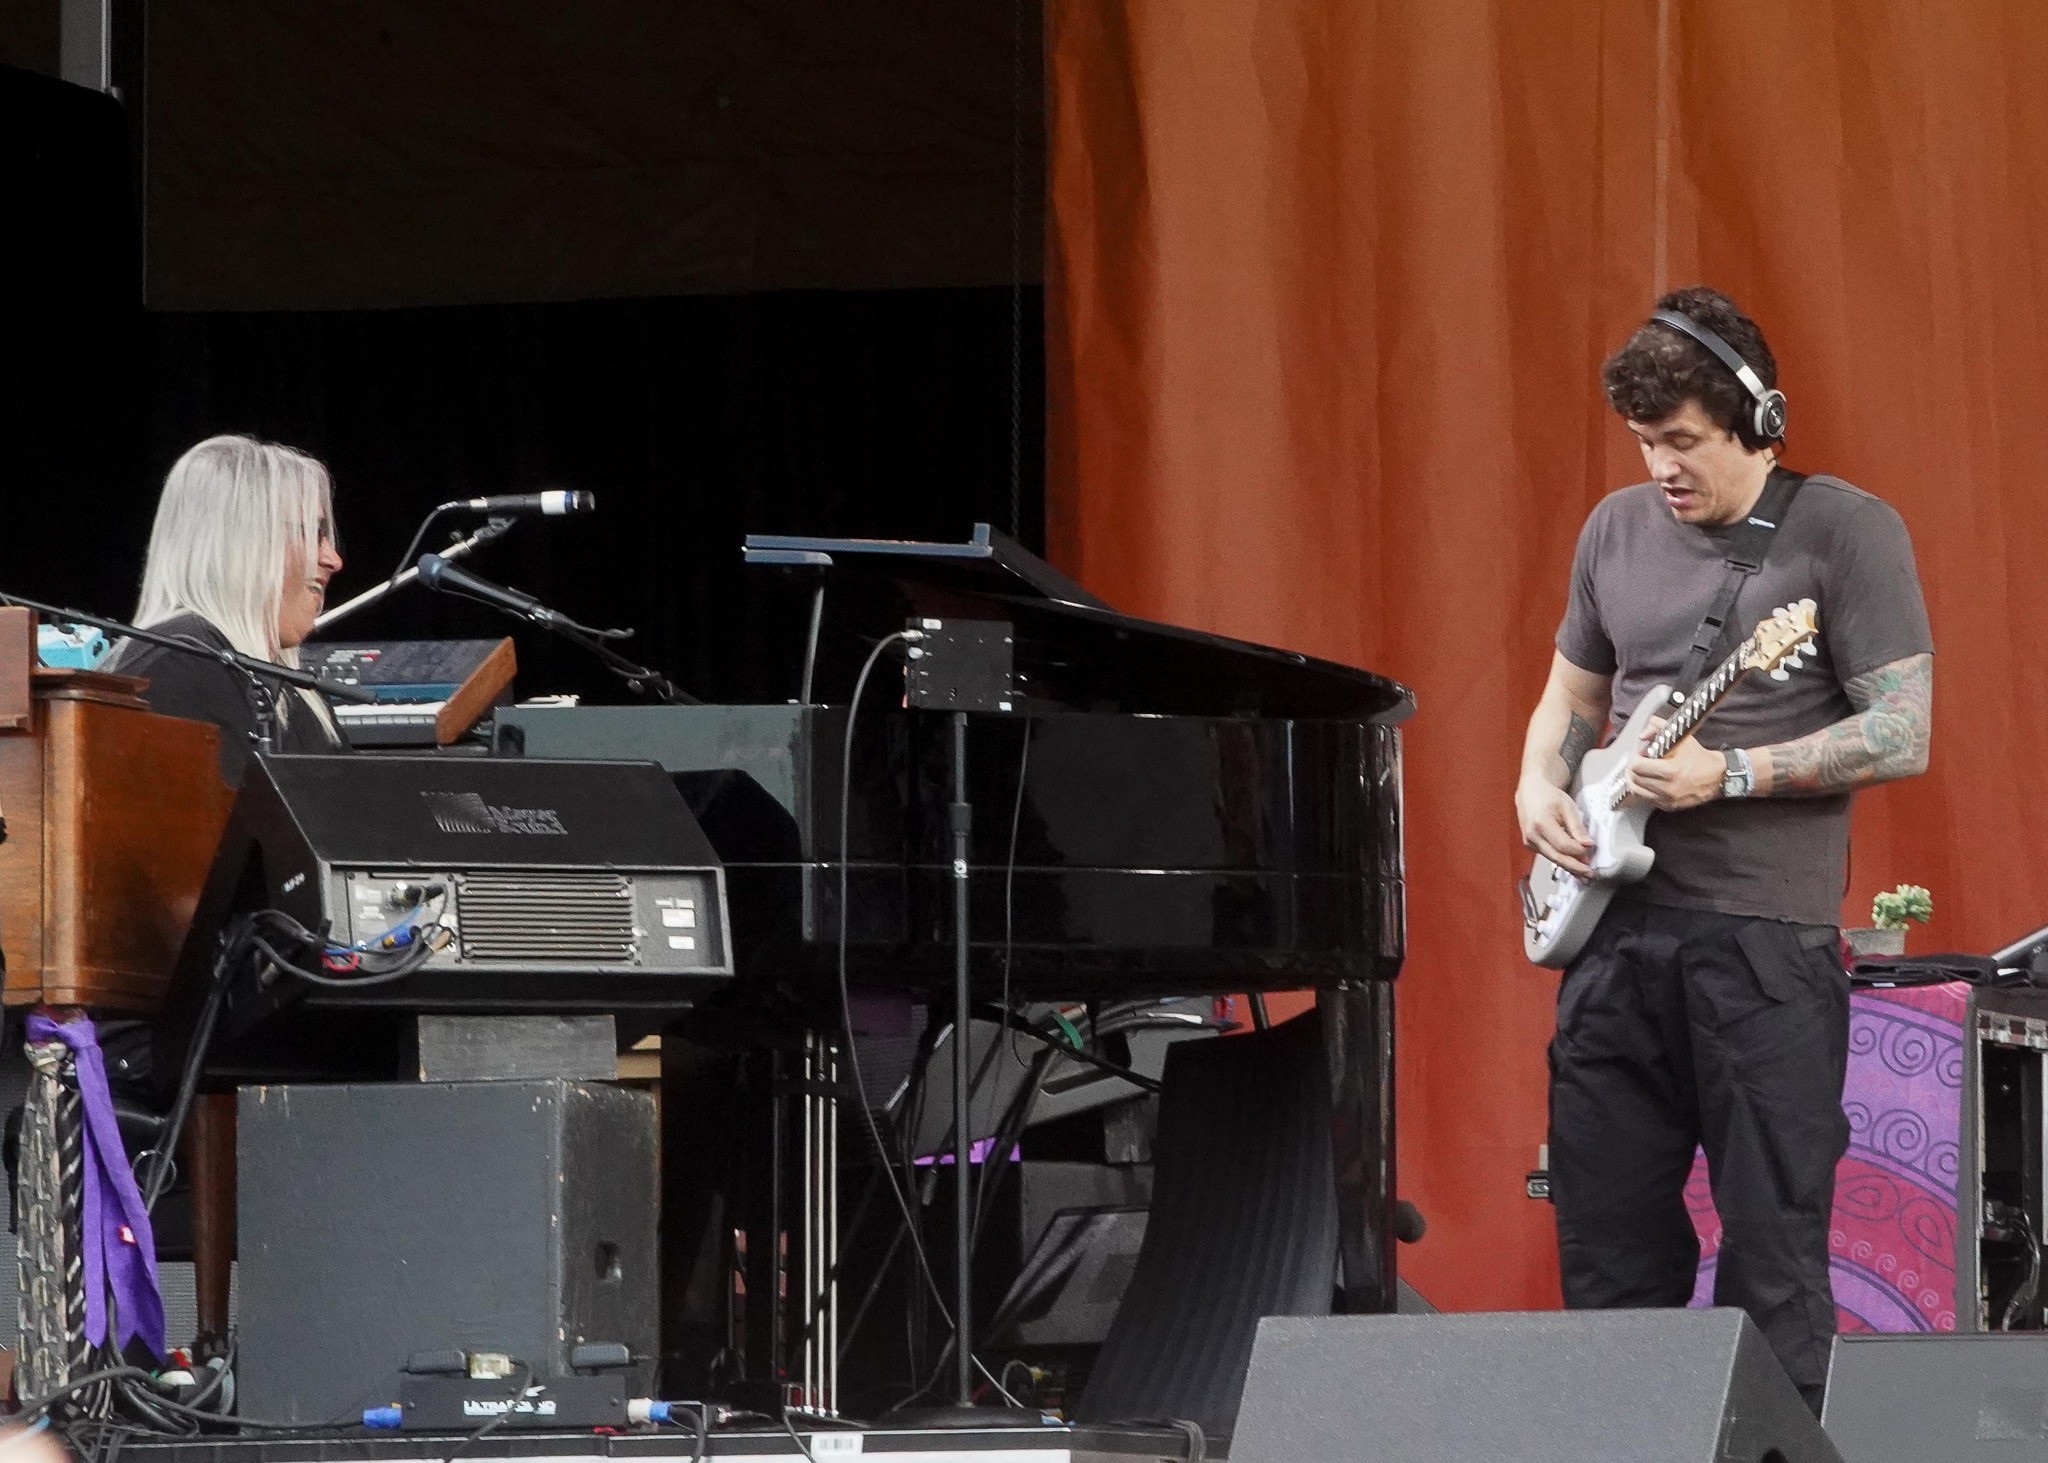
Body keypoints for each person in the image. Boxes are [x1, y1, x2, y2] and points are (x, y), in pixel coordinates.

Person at [1514, 287, 1933, 1412]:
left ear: (1757, 418)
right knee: (1603, 1243)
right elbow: (1572, 690)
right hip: (1612, 940)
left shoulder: (1843, 530)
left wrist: (1732, 773)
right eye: (1646, 443)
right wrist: (1536, 781)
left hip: (1761, 950)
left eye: (1683, 441)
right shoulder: (1611, 527)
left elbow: (1903, 729)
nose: (1660, 466)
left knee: (1770, 1247)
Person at [102, 434, 347, 784]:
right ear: (244, 542)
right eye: (314, 534)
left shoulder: (282, 685)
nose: (332, 560)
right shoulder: (176, 669)